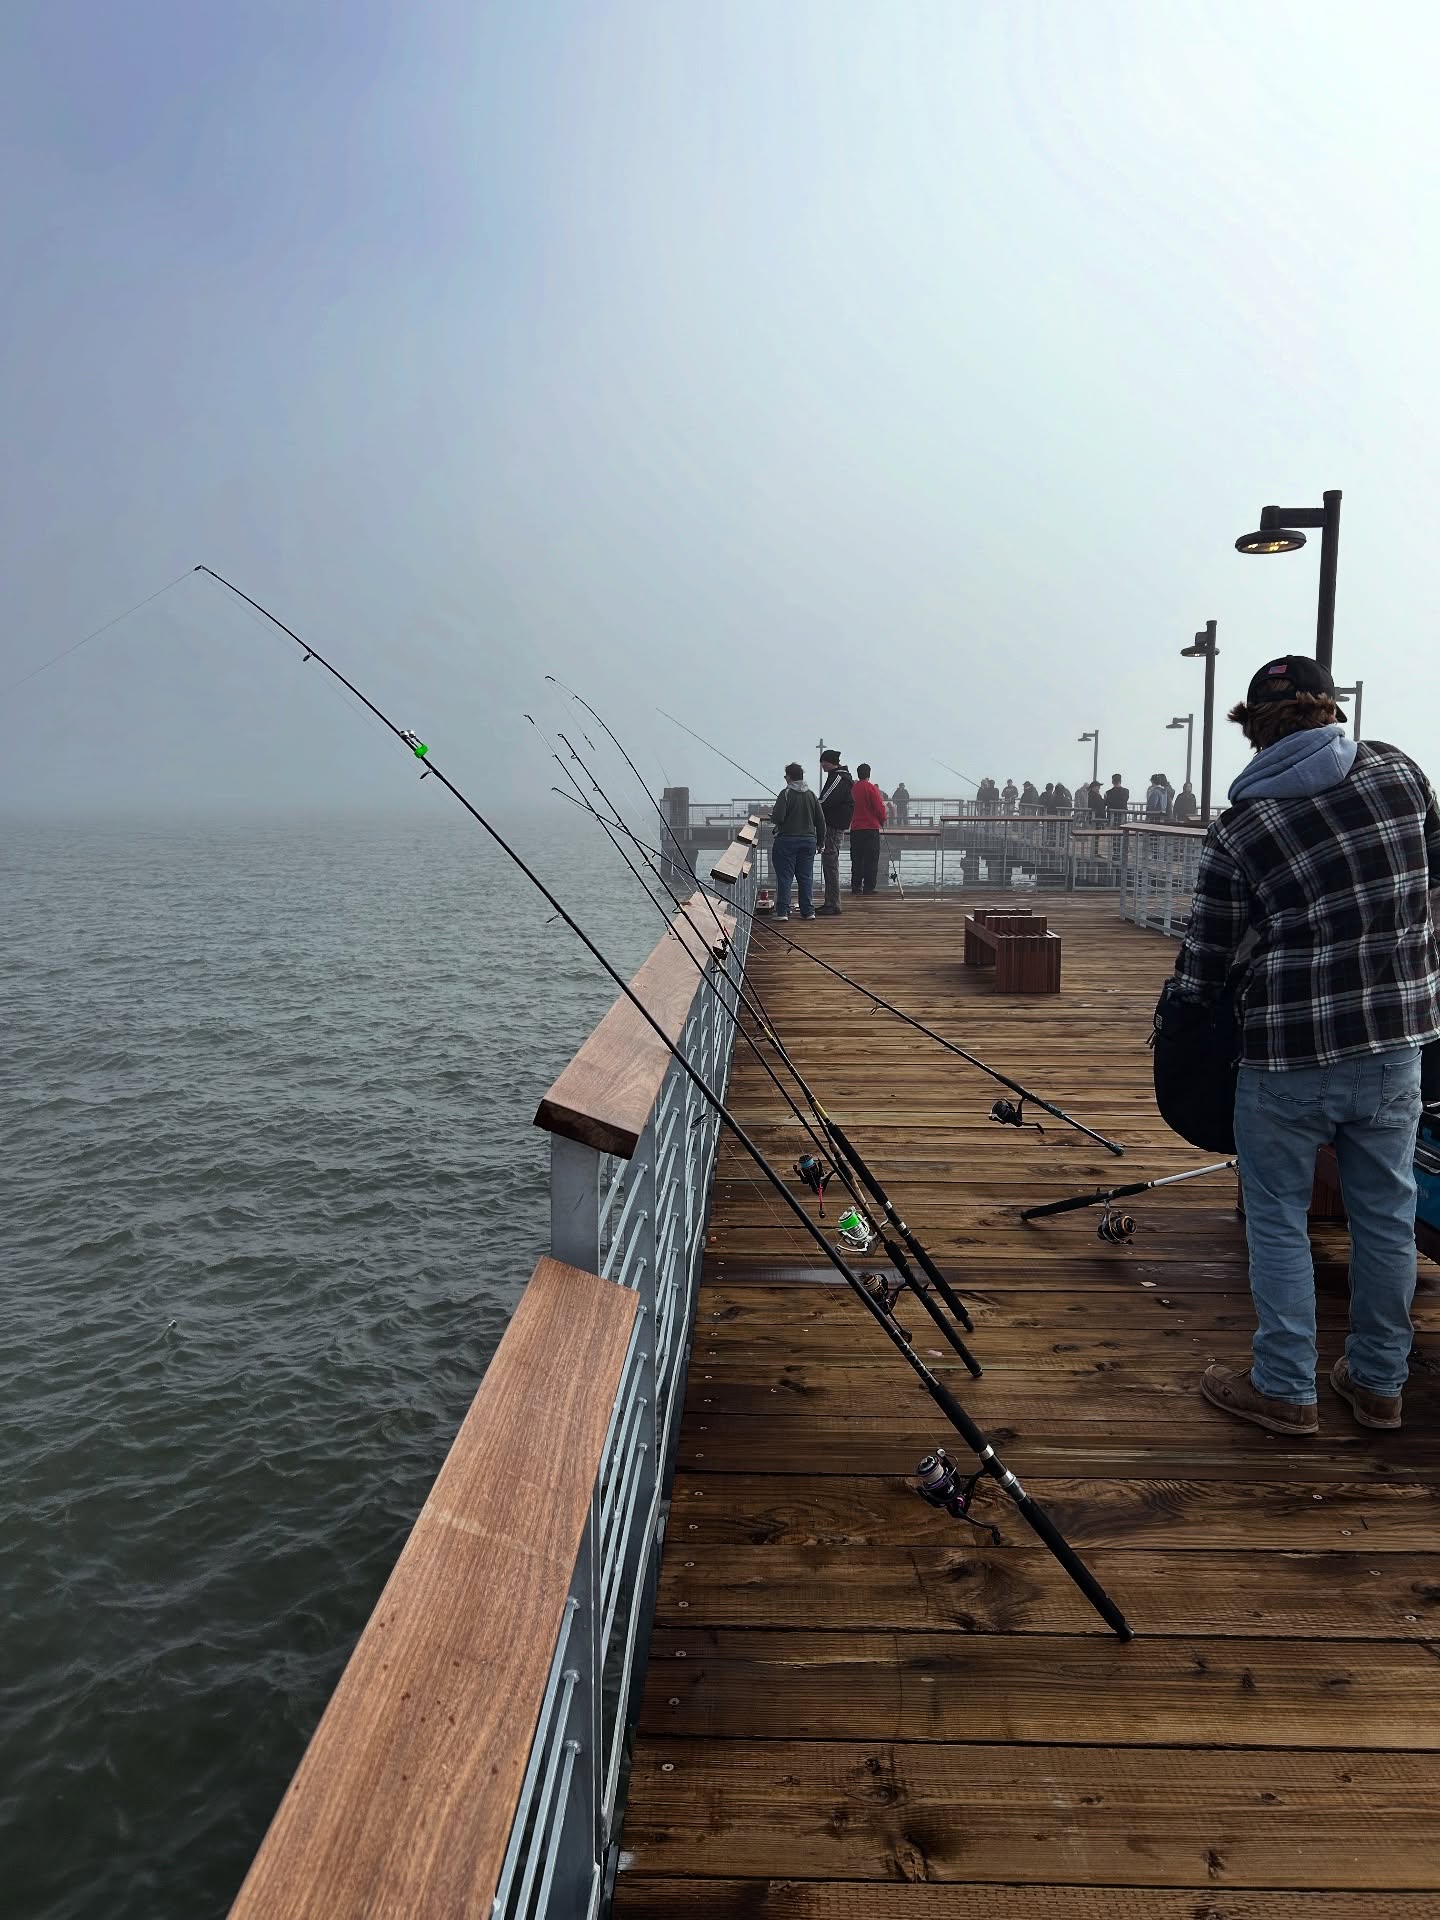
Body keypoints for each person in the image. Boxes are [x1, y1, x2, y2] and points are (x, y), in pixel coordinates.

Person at [1163, 655, 1440, 1435]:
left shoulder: (1240, 828)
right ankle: (1379, 1383)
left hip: (1285, 1053)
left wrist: (1179, 1020)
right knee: (1385, 1213)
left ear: (1253, 728)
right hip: (1394, 1042)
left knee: (1278, 1217)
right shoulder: (1398, 773)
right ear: (1331, 709)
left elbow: (1207, 960)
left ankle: (1286, 1387)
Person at [767, 761, 825, 920]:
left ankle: (782, 912)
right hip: (808, 841)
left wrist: (773, 817)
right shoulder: (811, 795)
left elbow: (779, 817)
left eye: (786, 776)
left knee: (785, 877)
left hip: (786, 840)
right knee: (805, 877)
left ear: (789, 777)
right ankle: (808, 911)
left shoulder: (785, 793)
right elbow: (820, 821)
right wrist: (821, 842)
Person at [817, 749, 854, 916]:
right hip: (835, 825)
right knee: (830, 864)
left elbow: (825, 800)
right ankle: (830, 902)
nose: (821, 765)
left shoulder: (838, 777)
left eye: (823, 762)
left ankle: (833, 903)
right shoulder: (841, 777)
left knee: (830, 865)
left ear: (829, 761)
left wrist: (811, 806)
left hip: (833, 826)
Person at [849, 762, 887, 894]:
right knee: (871, 859)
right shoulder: (871, 788)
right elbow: (879, 807)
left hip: (855, 829)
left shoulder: (853, 789)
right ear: (869, 774)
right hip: (870, 828)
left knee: (857, 859)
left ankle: (856, 886)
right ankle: (869, 887)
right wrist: (882, 820)